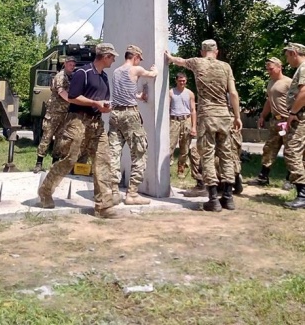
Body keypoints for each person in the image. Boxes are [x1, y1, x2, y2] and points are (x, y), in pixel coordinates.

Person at [38, 43, 119, 218]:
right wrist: (94, 103)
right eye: (112, 57)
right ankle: (45, 190)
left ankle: (103, 206)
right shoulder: (83, 73)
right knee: (69, 159)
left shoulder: (104, 77)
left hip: (96, 123)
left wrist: (104, 107)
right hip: (77, 122)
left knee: (103, 161)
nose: (114, 60)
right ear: (105, 56)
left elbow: (102, 100)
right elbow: (73, 97)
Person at [165, 39, 242, 212]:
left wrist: (169, 57)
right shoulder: (226, 67)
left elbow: (179, 61)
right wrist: (237, 116)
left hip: (207, 115)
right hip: (224, 115)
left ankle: (213, 198)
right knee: (226, 154)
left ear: (202, 51)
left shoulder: (197, 63)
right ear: (217, 51)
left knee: (207, 154)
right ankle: (228, 197)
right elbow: (233, 93)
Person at [109, 45, 158, 205]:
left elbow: (124, 93)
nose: (139, 61)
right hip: (130, 115)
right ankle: (132, 194)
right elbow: (152, 75)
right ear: (135, 56)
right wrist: (155, 69)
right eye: (139, 59)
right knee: (139, 152)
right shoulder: (136, 69)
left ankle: (114, 192)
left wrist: (138, 96)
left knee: (114, 153)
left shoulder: (116, 72)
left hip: (115, 114)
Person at [247, 57, 292, 188]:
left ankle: (291, 180)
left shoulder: (289, 82)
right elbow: (269, 101)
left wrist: (291, 118)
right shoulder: (271, 82)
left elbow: (298, 100)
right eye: (267, 69)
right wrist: (262, 116)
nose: (269, 71)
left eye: (271, 69)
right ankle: (263, 177)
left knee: (290, 151)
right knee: (269, 149)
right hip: (275, 121)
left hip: (287, 121)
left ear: (279, 67)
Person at [33, 56, 76, 173]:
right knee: (47, 136)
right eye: (70, 64)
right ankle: (39, 162)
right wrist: (73, 101)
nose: (72, 67)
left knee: (60, 138)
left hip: (65, 113)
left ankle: (55, 163)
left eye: (73, 65)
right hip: (54, 112)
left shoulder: (72, 77)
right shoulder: (60, 76)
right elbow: (61, 91)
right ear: (65, 64)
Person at [283, 43, 305, 209]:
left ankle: (303, 195)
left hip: (300, 117)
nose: (287, 59)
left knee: (292, 151)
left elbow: (304, 92)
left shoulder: (303, 68)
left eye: (287, 55)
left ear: (293, 53)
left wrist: (293, 113)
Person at [169, 73, 197, 178]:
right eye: (180, 80)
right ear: (176, 81)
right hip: (174, 121)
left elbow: (193, 110)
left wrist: (194, 127)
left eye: (184, 81)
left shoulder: (190, 93)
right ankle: (166, 169)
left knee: (185, 147)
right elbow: (167, 109)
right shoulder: (171, 93)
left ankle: (181, 169)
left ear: (186, 81)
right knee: (170, 146)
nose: (182, 83)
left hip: (186, 120)